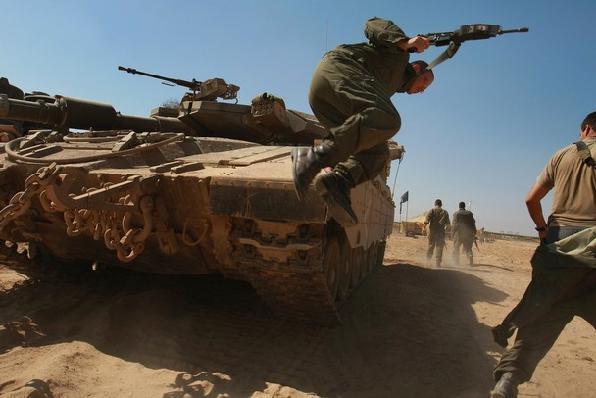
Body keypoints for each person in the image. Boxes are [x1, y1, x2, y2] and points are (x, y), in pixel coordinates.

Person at [490, 111, 596, 398]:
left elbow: (531, 198)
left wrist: (541, 229)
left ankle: (507, 382)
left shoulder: (562, 155)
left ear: (586, 129)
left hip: (558, 250)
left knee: (542, 319)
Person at [291, 17, 434, 223]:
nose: (422, 90)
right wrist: (406, 43)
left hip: (324, 96)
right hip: (338, 71)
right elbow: (373, 24)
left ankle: (338, 181)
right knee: (389, 119)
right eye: (424, 82)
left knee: (378, 151)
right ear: (418, 70)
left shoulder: (388, 86)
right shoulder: (399, 56)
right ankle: (313, 158)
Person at [424, 199, 450, 267]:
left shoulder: (432, 210)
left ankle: (427, 262)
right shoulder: (445, 212)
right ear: (441, 204)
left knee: (430, 246)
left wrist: (425, 226)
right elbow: (448, 225)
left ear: (435, 204)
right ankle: (437, 263)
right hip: (440, 233)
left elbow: (426, 220)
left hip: (432, 232)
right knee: (439, 247)